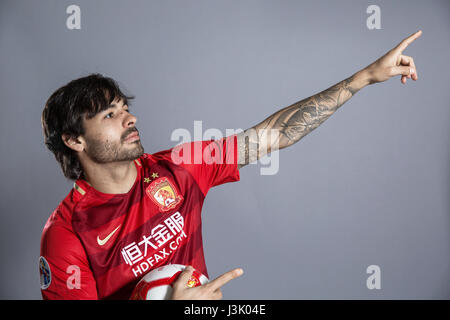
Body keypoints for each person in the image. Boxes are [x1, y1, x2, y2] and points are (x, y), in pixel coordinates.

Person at [39, 30, 422, 299]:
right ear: (75, 140)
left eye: (126, 108)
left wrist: (365, 77)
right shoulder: (65, 235)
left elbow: (275, 134)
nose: (130, 119)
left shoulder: (180, 167)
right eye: (109, 115)